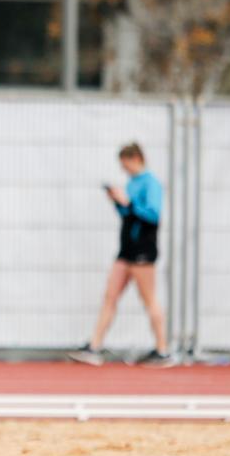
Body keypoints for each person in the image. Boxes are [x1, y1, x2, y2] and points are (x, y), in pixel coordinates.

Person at [69, 142, 173, 367]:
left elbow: (153, 215)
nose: (125, 170)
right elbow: (129, 213)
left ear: (136, 158)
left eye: (126, 165)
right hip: (126, 250)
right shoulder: (133, 182)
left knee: (149, 299)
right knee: (110, 296)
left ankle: (162, 349)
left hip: (143, 250)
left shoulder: (151, 183)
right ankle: (94, 346)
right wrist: (118, 203)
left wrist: (129, 202)